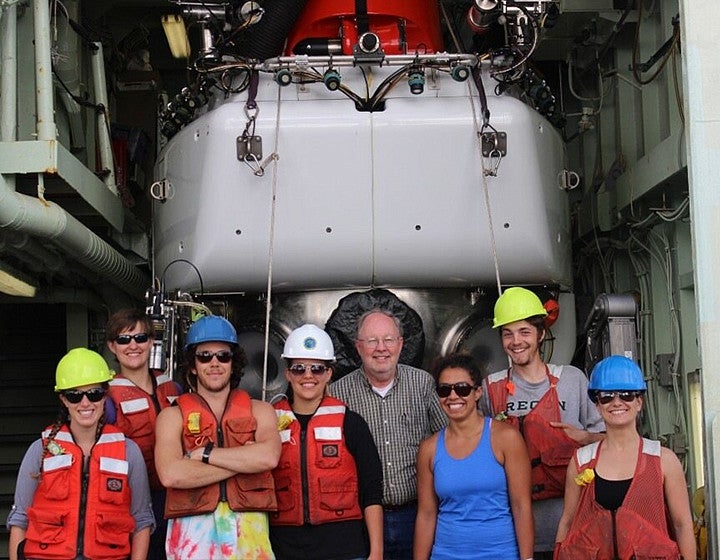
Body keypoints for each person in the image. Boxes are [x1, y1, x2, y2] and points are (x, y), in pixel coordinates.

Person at [481, 287, 605, 558]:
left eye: (524, 332)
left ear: (541, 333)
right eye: (507, 333)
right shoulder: (490, 388)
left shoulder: (573, 380)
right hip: (511, 534)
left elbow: (617, 444)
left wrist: (584, 438)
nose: (516, 341)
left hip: (573, 530)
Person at [7, 348, 154, 560]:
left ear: (105, 396)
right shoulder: (40, 450)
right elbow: (19, 519)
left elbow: (142, 521)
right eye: (74, 396)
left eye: (94, 394)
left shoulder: (129, 451)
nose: (85, 403)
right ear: (64, 400)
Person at [154, 315, 281, 559]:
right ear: (193, 364)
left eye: (223, 356)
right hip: (191, 534)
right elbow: (171, 474)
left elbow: (268, 458)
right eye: (204, 356)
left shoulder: (261, 410)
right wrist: (245, 462)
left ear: (234, 362)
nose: (215, 363)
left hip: (249, 534)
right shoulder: (171, 417)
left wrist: (206, 455)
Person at [330, 308, 447, 560]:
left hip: (417, 515)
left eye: (388, 340)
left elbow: (450, 441)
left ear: (400, 344)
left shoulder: (423, 384)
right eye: (372, 341)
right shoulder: (338, 394)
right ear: (358, 346)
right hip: (362, 520)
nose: (381, 348)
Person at [555, 355, 696, 559]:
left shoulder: (663, 460)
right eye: (606, 396)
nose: (617, 402)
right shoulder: (581, 461)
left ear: (639, 402)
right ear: (597, 405)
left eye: (627, 394)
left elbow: (682, 524)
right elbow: (567, 522)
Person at [269, 324, 384, 559]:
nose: (308, 376)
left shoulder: (351, 423)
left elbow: (372, 491)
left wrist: (377, 552)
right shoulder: (269, 423)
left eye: (317, 369)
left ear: (329, 373)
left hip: (344, 548)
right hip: (285, 549)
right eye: (299, 368)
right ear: (288, 373)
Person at [414, 353, 534, 560]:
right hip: (446, 554)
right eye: (444, 390)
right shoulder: (429, 448)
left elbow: (521, 506)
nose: (453, 396)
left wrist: (527, 558)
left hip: (500, 553)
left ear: (478, 392)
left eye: (462, 388)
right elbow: (426, 514)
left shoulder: (506, 438)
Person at [105, 308, 182, 559]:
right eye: (124, 339)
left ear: (151, 342)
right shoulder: (105, 399)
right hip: (133, 504)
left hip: (178, 498)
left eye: (140, 338)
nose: (133, 346)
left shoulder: (173, 387)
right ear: (112, 347)